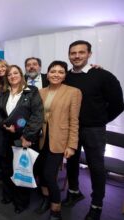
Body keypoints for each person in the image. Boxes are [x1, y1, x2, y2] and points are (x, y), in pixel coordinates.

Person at [63, 40, 124, 220]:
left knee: (96, 167)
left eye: (81, 52)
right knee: (71, 162)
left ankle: (96, 205)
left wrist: (101, 120)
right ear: (69, 55)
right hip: (72, 128)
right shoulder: (66, 76)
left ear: (89, 54)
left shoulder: (103, 75)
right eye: (73, 53)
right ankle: (73, 191)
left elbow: (118, 104)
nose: (77, 56)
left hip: (94, 130)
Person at [34, 61, 82, 220]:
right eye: (53, 71)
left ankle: (56, 209)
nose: (56, 74)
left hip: (59, 140)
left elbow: (74, 121)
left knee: (49, 174)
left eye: (60, 72)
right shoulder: (41, 92)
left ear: (65, 75)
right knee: (39, 172)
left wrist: (72, 145)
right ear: (47, 74)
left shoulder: (73, 92)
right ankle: (46, 199)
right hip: (41, 139)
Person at [0, 65, 43, 214]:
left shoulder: (31, 91)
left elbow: (37, 115)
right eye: (9, 74)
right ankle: (8, 195)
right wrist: (3, 124)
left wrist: (27, 136)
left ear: (21, 75)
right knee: (6, 168)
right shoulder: (3, 92)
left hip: (22, 138)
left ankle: (21, 202)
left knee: (21, 169)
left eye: (15, 73)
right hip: (5, 135)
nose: (12, 76)